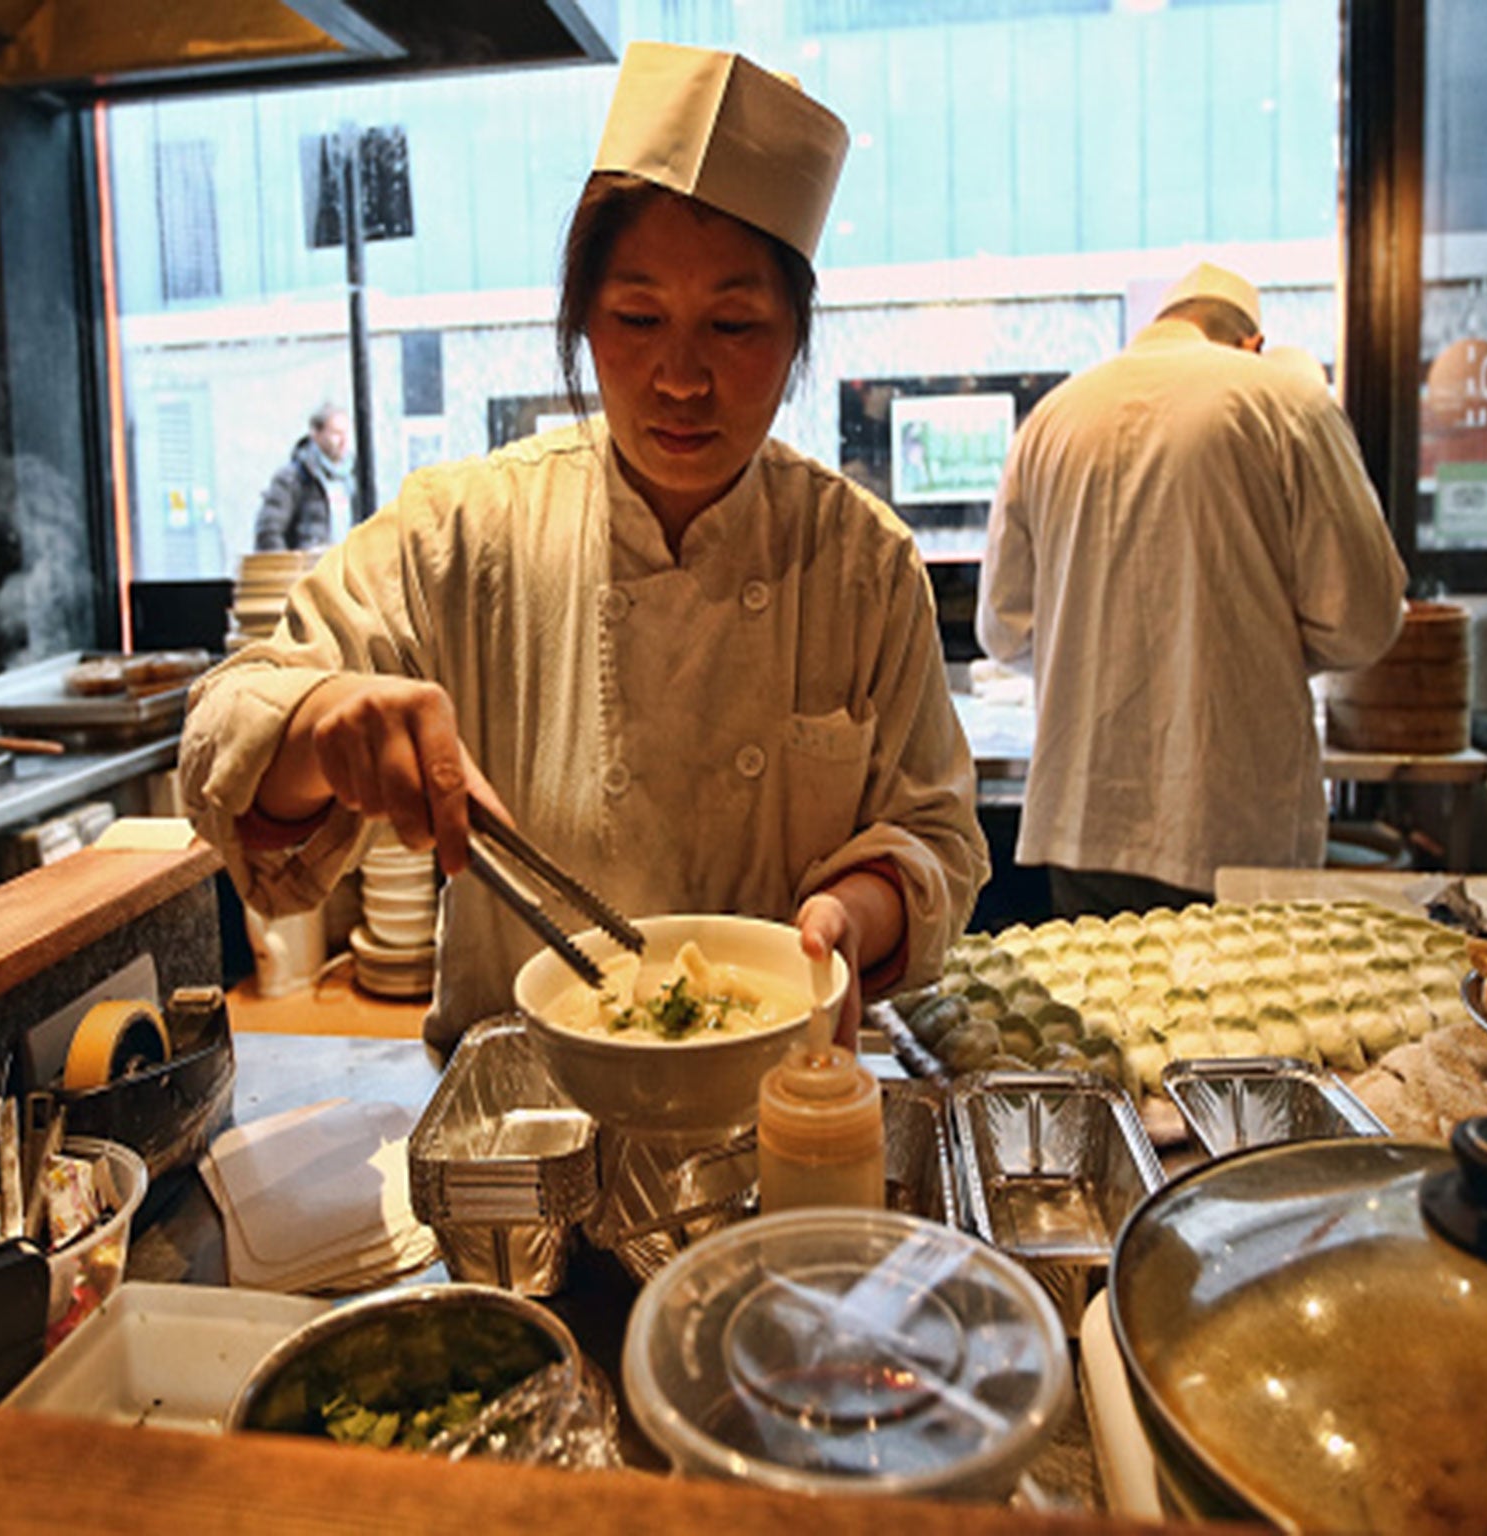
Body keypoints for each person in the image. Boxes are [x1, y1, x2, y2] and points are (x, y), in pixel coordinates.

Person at [181, 42, 988, 1051]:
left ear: (794, 335)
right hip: (521, 1116)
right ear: (581, 324)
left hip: (780, 1099)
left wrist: (847, 917)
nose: (680, 378)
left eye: (732, 326)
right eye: (637, 318)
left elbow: (935, 836)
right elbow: (225, 723)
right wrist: (321, 723)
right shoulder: (465, 530)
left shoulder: (863, 565)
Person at [976, 261, 1406, 919]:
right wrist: (1256, 642)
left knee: (1100, 1013)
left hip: (1084, 818)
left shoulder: (1055, 416)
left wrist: (1092, 650)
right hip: (1238, 825)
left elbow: (1004, 627)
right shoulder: (1285, 402)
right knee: (1251, 1019)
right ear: (1252, 343)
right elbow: (1362, 618)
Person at [253, 404, 353, 551]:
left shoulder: (353, 477)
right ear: (316, 434)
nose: (343, 441)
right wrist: (289, 569)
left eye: (346, 433)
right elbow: (269, 531)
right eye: (336, 434)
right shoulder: (293, 478)